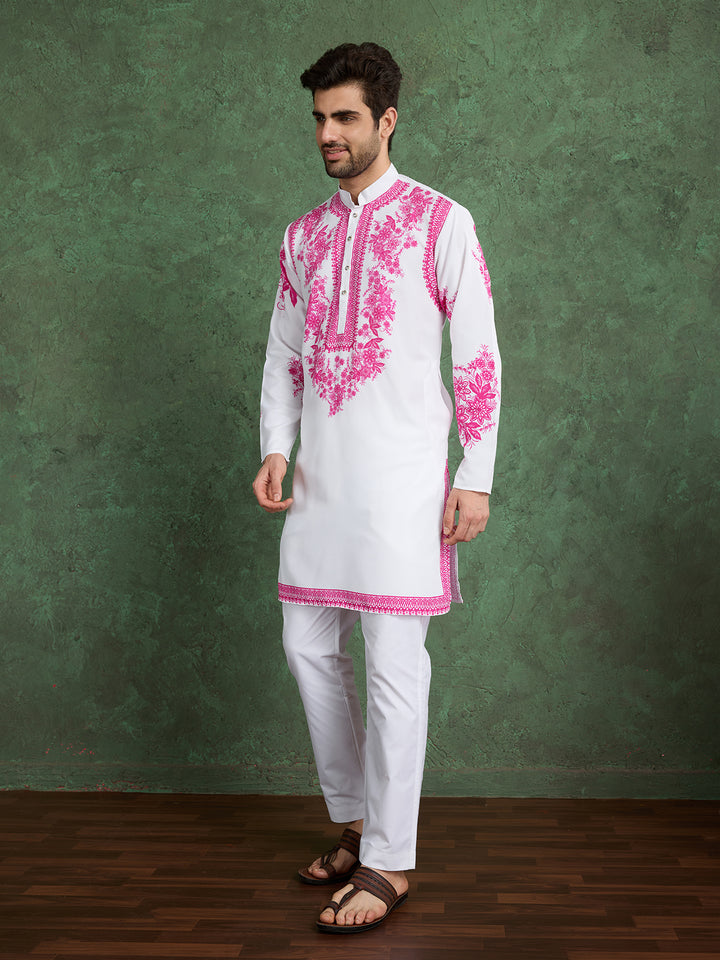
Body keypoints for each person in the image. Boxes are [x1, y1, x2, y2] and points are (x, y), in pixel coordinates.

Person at [252, 42, 500, 933]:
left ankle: (391, 860)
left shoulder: (440, 222)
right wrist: (276, 446)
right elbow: (285, 352)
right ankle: (356, 820)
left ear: (386, 120)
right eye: (320, 117)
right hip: (320, 483)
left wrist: (475, 475)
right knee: (306, 647)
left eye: (346, 117)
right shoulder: (303, 237)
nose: (329, 132)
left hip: (403, 487)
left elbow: (477, 355)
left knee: (395, 670)